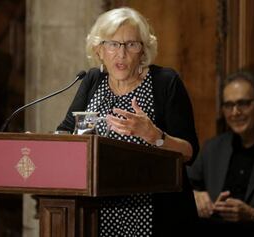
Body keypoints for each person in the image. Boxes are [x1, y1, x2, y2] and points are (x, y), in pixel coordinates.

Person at [57, 7, 199, 236]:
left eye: (131, 44)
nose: (121, 54)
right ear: (99, 49)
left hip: (155, 210)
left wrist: (156, 136)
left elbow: (190, 152)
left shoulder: (165, 82)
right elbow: (66, 132)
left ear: (143, 50)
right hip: (98, 209)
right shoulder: (93, 80)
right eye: (112, 44)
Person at [187, 71, 254, 236]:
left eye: (243, 103)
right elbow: (184, 185)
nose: (235, 112)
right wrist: (195, 195)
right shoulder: (213, 147)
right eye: (228, 105)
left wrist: (253, 214)